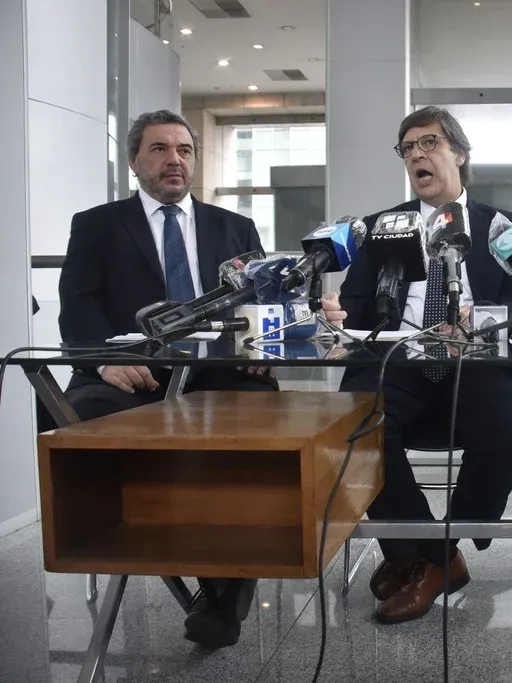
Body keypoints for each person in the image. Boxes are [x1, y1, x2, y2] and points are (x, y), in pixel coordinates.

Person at [57, 110, 276, 648]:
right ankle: (207, 579)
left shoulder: (235, 227)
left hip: (220, 376)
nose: (174, 160)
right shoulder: (97, 224)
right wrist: (104, 360)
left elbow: (264, 305)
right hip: (127, 375)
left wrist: (262, 348)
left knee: (257, 438)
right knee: (90, 425)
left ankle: (219, 596)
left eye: (184, 150)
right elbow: (77, 309)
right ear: (134, 161)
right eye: (159, 149)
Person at [321, 106, 512, 624]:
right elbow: (355, 309)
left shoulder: (503, 227)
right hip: (399, 363)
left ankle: (429, 552)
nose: (416, 155)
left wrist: (482, 325)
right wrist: (335, 314)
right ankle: (431, 558)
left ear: (458, 154)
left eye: (429, 143)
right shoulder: (380, 227)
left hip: (480, 367)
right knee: (355, 428)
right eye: (407, 148)